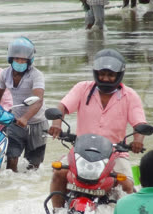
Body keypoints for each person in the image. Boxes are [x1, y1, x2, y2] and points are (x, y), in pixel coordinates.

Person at [48, 48, 147, 209]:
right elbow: (62, 107)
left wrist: (137, 141)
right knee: (58, 174)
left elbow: (139, 125)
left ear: (119, 75)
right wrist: (57, 123)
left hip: (116, 154)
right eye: (101, 74)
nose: (105, 78)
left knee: (127, 186)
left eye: (110, 75)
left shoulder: (131, 96)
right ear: (95, 72)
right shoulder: (82, 88)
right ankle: (56, 210)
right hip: (80, 151)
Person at [0, 37, 48, 172]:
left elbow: (38, 100)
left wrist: (26, 118)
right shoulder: (5, 74)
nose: (20, 62)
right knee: (11, 159)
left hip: (37, 124)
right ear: (11, 59)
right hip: (15, 122)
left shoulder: (36, 75)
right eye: (17, 59)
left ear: (29, 61)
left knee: (33, 167)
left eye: (23, 60)